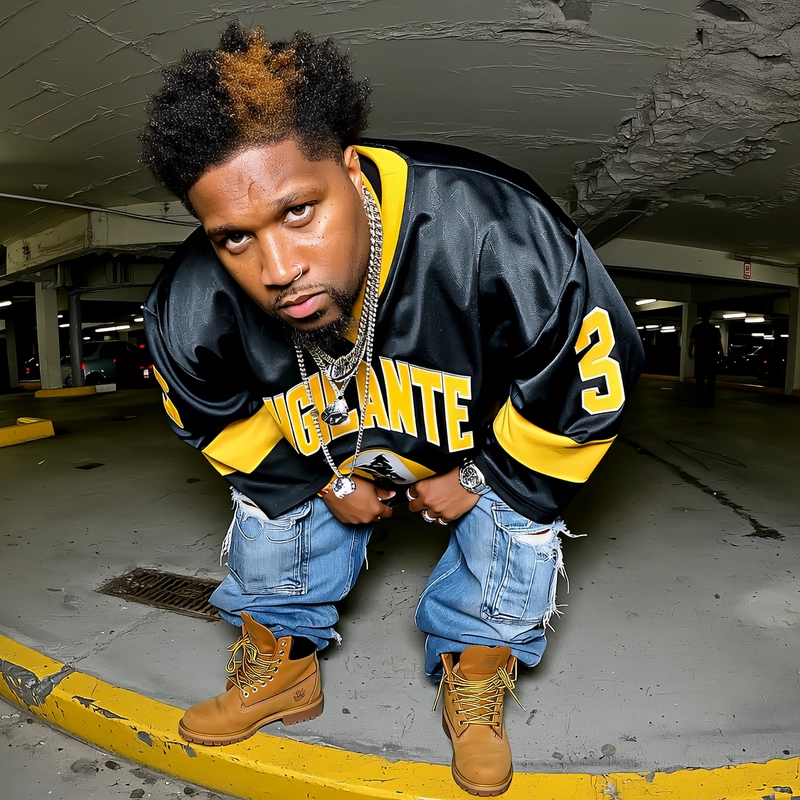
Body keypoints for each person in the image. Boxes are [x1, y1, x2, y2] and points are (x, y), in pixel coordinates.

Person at [140, 22, 643, 796]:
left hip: (475, 444)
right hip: (334, 450)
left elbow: (588, 381)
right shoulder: (189, 303)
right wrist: (318, 483)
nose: (278, 268)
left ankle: (476, 664)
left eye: (298, 212)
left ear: (350, 168)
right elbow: (214, 420)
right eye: (235, 238)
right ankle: (283, 666)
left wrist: (481, 476)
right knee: (265, 498)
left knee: (523, 509)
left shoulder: (494, 227)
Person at [688, 310, 724, 407]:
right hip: (712, 356)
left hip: (700, 356)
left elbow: (692, 341)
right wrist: (721, 354)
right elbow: (719, 343)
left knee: (700, 379)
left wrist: (690, 352)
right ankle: (710, 400)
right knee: (711, 380)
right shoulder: (714, 329)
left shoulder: (696, 328)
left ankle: (700, 400)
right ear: (709, 317)